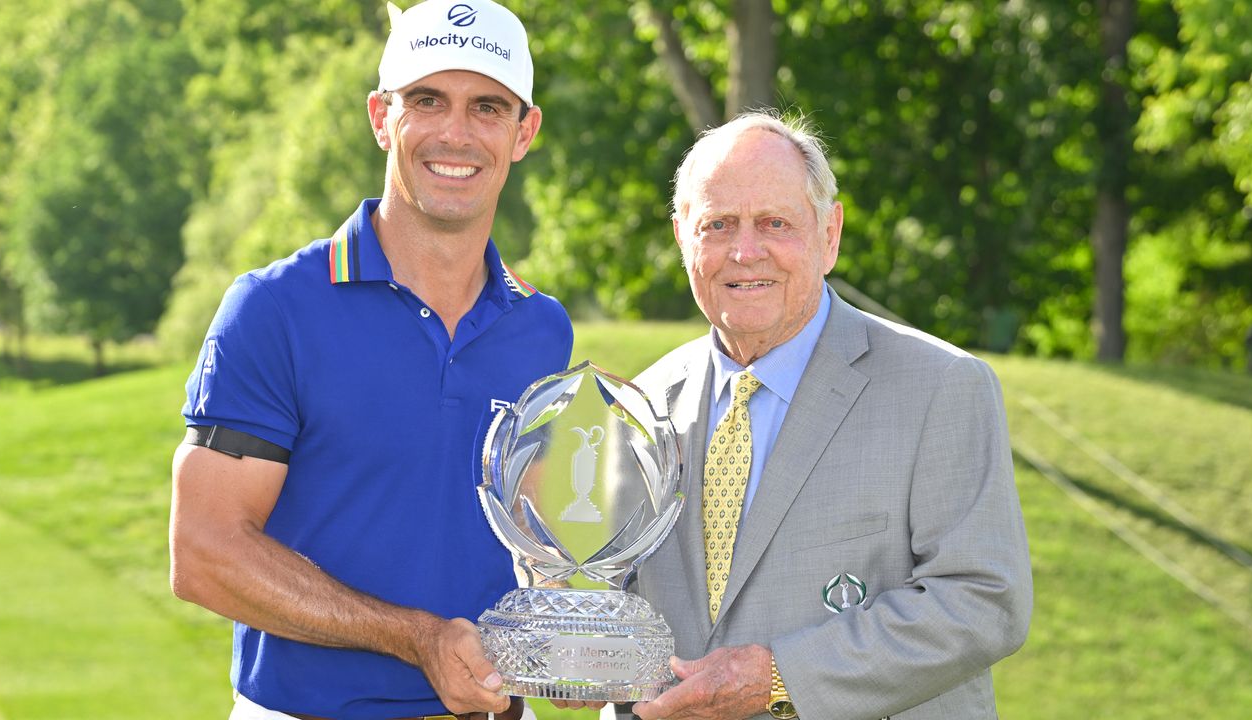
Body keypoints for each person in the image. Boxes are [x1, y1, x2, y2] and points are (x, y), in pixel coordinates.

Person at [168, 2, 572, 718]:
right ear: (382, 117)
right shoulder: (274, 308)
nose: (456, 133)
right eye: (426, 101)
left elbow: (533, 540)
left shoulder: (541, 331)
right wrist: (416, 640)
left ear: (524, 132)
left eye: (487, 107)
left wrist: (566, 640)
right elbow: (204, 552)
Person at [614, 111, 1033, 720]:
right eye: (718, 224)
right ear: (682, 235)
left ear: (829, 233)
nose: (745, 251)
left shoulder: (940, 387)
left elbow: (984, 601)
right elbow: (623, 606)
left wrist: (781, 677)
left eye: (774, 223)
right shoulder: (642, 405)